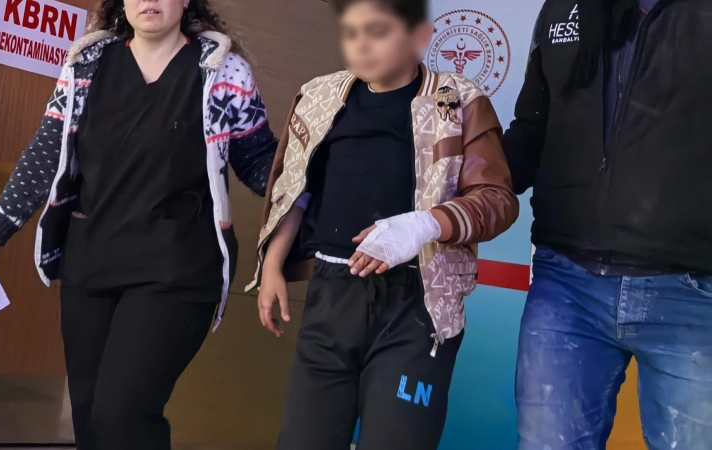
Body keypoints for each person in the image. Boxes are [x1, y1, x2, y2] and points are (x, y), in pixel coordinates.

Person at [0, 0, 276, 448]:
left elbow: (260, 161)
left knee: (123, 413)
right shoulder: (86, 66)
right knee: (89, 416)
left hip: (177, 267)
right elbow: (47, 150)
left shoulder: (223, 71)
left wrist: (318, 183)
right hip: (92, 261)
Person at [249, 0, 519, 448]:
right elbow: (295, 189)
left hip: (418, 304)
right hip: (332, 294)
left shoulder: (458, 101)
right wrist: (273, 264)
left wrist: (422, 226)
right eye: (352, 33)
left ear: (418, 37)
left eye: (377, 31)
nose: (361, 44)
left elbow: (497, 201)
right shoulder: (319, 96)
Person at [504, 0, 712, 448]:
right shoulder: (562, 9)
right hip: (566, 288)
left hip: (694, 295)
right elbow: (532, 127)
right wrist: (459, 190)